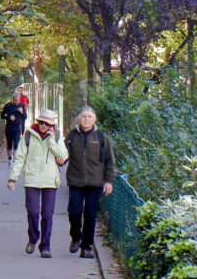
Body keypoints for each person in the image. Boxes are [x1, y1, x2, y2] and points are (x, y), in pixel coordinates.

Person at [7, 109, 68, 258]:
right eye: (41, 122)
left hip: (50, 180)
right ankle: (33, 238)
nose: (43, 125)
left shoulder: (57, 137)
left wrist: (52, 141)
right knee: (33, 211)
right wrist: (12, 178)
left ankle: (45, 246)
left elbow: (63, 157)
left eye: (46, 123)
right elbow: (20, 157)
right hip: (32, 179)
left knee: (47, 214)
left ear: (51, 125)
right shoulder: (28, 135)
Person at [64, 106, 116, 259]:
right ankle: (75, 237)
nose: (86, 119)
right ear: (79, 119)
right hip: (75, 181)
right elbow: (62, 155)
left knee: (90, 215)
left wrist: (109, 181)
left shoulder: (101, 137)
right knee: (74, 212)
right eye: (84, 116)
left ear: (94, 119)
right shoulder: (71, 136)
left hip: (95, 182)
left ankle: (86, 247)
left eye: (89, 116)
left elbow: (110, 161)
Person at [0, 91, 25, 166]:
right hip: (9, 127)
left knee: (16, 144)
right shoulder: (8, 106)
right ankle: (10, 158)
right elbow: (2, 115)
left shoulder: (21, 106)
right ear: (12, 100)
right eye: (15, 100)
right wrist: (8, 117)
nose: (16, 102)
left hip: (17, 127)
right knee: (9, 144)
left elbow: (25, 117)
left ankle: (16, 160)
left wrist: (21, 112)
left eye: (18, 100)